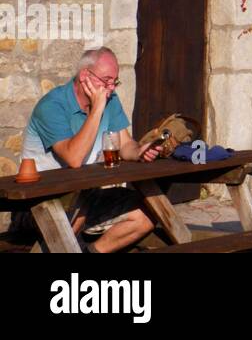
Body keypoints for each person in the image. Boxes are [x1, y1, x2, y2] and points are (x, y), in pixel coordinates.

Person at [21, 47, 160, 253]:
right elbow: (74, 158)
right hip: (43, 202)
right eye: (106, 80)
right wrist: (97, 109)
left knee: (149, 211)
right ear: (85, 75)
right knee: (77, 213)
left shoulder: (109, 100)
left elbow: (125, 144)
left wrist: (139, 151)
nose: (111, 88)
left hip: (86, 194)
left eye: (115, 81)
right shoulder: (52, 105)